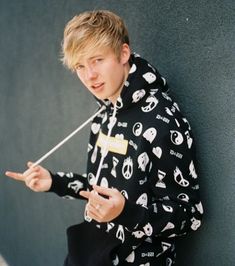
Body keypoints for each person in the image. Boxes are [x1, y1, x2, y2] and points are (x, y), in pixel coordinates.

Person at [6, 10, 203, 266]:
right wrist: (53, 182)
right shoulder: (104, 112)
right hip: (92, 252)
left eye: (97, 60)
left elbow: (190, 215)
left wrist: (126, 213)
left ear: (123, 54)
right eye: (80, 66)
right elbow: (98, 189)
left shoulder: (162, 119)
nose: (89, 76)